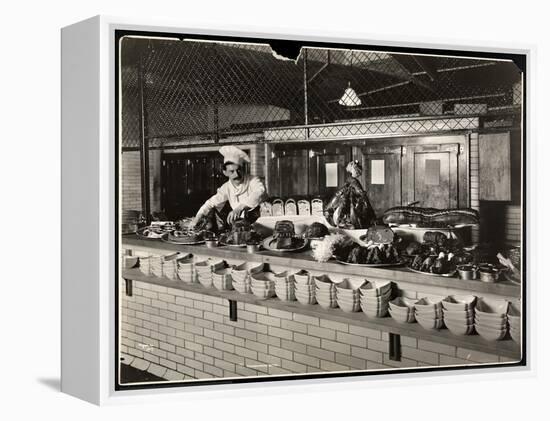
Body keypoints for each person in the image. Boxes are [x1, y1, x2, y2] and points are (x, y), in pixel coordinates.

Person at [189, 146, 267, 228]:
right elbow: (210, 203)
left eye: (238, 170)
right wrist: (197, 218)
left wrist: (240, 208)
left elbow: (259, 191)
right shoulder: (226, 187)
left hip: (262, 222)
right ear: (225, 172)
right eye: (232, 171)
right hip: (242, 225)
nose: (236, 174)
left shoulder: (253, 180)